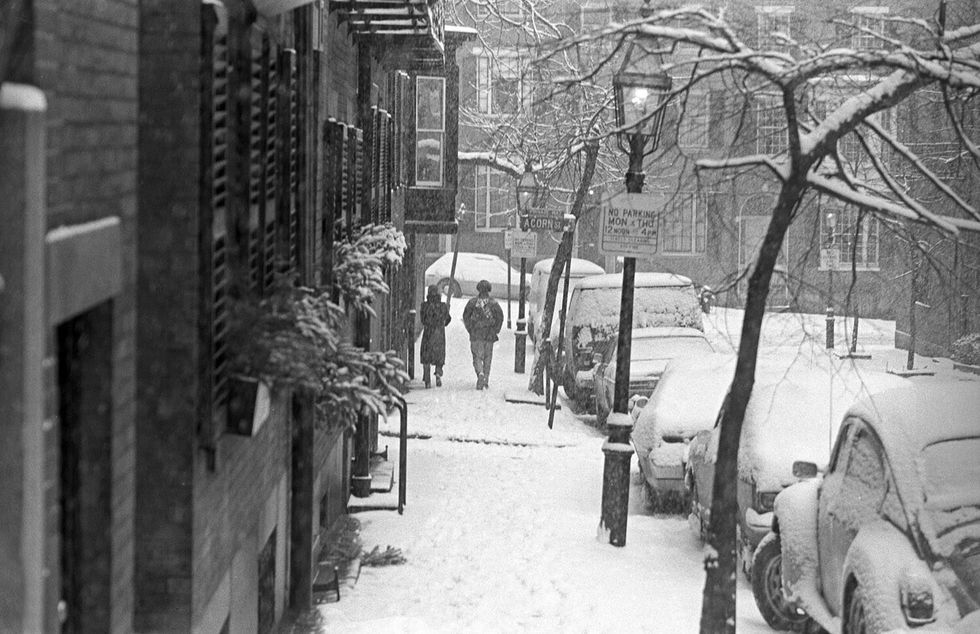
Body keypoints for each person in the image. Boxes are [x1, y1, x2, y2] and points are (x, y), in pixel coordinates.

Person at [462, 279, 504, 390]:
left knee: (476, 356)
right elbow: (500, 317)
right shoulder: (493, 304)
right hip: (489, 335)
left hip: (476, 334)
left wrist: (470, 329)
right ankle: (485, 378)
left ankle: (479, 373)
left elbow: (466, 317)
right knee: (487, 358)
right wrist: (495, 330)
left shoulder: (472, 303)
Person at [419, 284, 451, 388]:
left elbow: (423, 320)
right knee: (439, 355)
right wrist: (442, 321)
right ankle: (438, 373)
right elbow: (448, 319)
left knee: (426, 355)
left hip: (428, 333)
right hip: (439, 334)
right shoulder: (442, 306)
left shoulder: (424, 306)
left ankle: (427, 379)